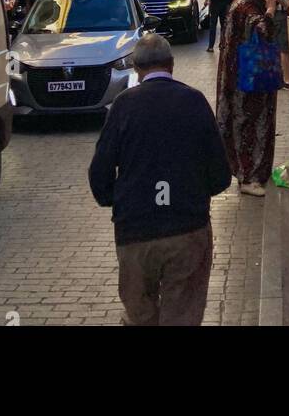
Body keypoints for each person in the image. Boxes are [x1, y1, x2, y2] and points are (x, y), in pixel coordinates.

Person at [88, 33, 231, 327]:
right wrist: (197, 193)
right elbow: (220, 174)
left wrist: (118, 199)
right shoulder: (194, 101)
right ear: (172, 64)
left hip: (135, 233)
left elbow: (99, 173)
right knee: (182, 313)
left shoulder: (122, 106)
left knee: (140, 315)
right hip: (186, 228)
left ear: (137, 69)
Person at [215, 0, 281, 196]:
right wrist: (270, 11)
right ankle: (249, 176)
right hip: (247, 78)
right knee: (249, 123)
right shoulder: (247, 8)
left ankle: (251, 173)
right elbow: (263, 30)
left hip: (242, 74)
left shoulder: (239, 3)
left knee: (247, 122)